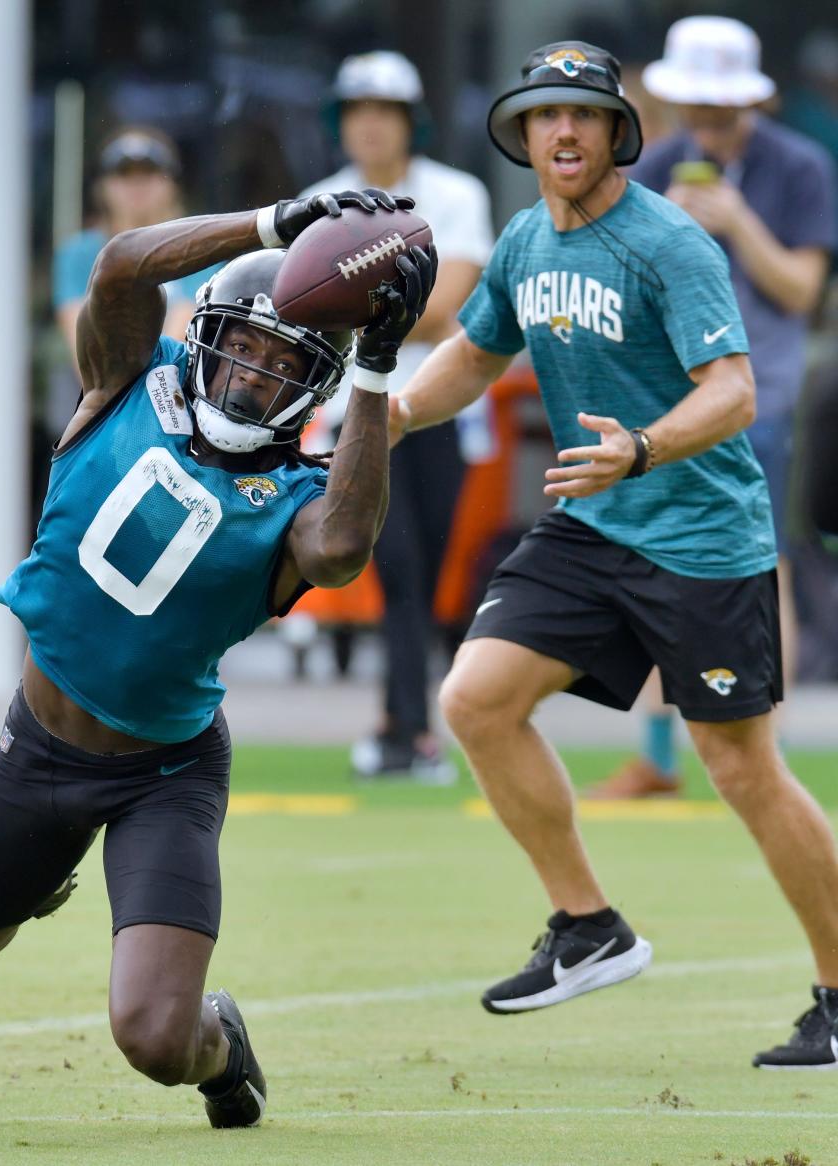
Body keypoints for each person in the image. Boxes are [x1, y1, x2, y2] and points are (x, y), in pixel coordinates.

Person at [0, 189, 436, 1123]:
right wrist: (279, 223)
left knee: (156, 1039)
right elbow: (119, 264)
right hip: (35, 750)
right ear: (205, 334)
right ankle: (37, 877)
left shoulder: (301, 494)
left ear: (313, 389)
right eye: (244, 345)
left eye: (284, 365)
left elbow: (345, 548)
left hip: (165, 772)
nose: (254, 375)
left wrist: (380, 366)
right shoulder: (122, 383)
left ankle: (222, 1044)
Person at [388, 39, 838, 1069]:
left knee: (741, 767)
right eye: (544, 116)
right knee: (475, 700)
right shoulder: (523, 242)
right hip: (592, 524)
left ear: (616, 133)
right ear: (523, 133)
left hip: (700, 538)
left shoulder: (668, 243)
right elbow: (474, 349)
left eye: (583, 116)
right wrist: (394, 413)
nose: (562, 132)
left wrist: (639, 446)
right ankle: (589, 926)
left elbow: (735, 391)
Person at [588, 16, 837, 799]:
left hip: (765, 397)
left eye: (714, 104)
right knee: (656, 561)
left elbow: (802, 289)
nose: (702, 118)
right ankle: (658, 756)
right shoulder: (659, 166)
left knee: (767, 565)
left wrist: (737, 224)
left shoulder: (797, 167)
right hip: (667, 400)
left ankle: (771, 746)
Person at [298, 51, 496, 783]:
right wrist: (389, 306)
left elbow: (452, 309)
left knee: (429, 571)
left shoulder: (456, 194)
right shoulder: (318, 202)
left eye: (385, 111)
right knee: (399, 567)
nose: (371, 126)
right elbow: (306, 312)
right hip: (356, 414)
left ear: (411, 122)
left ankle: (408, 724)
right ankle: (408, 730)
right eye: (357, 111)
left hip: (438, 408)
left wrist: (355, 304)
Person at [53, 126, 220, 372]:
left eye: (149, 173)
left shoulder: (201, 249)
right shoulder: (78, 254)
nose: (137, 185)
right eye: (124, 174)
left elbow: (174, 351)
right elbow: (85, 355)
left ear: (172, 184)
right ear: (102, 186)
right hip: (100, 400)